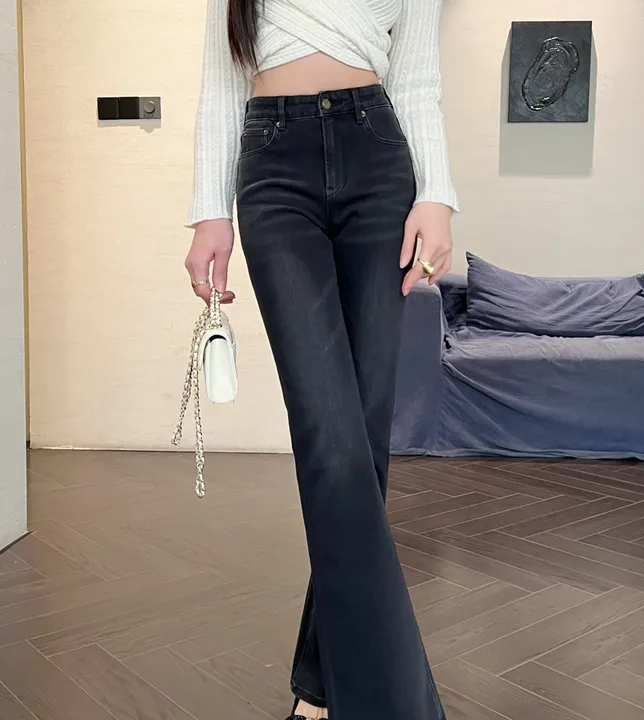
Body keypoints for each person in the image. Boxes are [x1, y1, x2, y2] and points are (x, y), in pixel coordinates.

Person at [183, 1, 457, 718]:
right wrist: (210, 212)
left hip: (380, 160)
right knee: (332, 443)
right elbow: (221, 82)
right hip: (274, 168)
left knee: (362, 449)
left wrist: (437, 194)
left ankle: (321, 690)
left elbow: (417, 77)